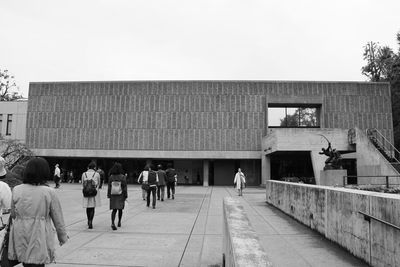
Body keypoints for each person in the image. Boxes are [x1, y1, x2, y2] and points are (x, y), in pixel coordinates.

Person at [8, 157, 68, 266]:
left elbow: (13, 214)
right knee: (38, 262)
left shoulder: (17, 189)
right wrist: (62, 236)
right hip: (39, 233)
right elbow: (58, 218)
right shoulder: (49, 192)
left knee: (25, 262)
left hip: (20, 232)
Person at [107, 163, 128, 230]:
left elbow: (109, 187)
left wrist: (109, 195)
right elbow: (124, 187)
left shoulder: (111, 177)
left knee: (114, 210)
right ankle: (119, 221)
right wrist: (125, 195)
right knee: (120, 209)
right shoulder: (122, 177)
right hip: (120, 194)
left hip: (113, 195)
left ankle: (113, 222)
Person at [82, 161, 101, 229]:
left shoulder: (84, 174)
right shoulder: (97, 174)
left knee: (88, 207)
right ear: (94, 167)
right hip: (94, 192)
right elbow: (99, 183)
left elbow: (82, 184)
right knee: (92, 207)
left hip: (86, 192)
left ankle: (88, 220)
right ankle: (91, 221)